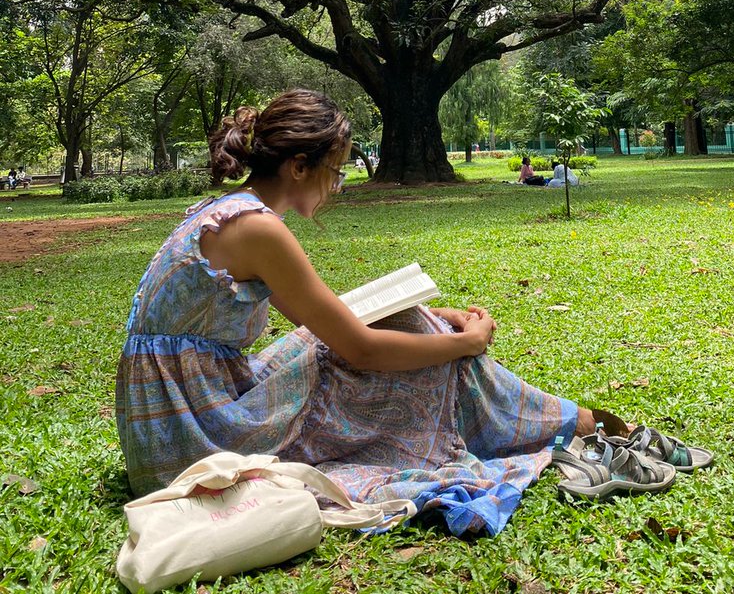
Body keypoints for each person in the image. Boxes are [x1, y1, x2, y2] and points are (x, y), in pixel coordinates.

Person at [117, 89, 694, 535]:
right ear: (298, 166)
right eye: (335, 170)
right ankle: (580, 428)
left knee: (415, 319)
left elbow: (313, 319)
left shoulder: (230, 213)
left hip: (178, 415)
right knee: (417, 338)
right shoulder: (258, 228)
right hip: (198, 429)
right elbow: (356, 348)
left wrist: (429, 312)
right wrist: (462, 342)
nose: (338, 186)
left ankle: (573, 426)